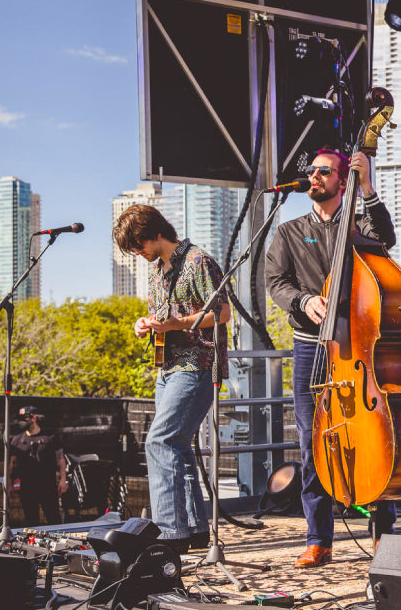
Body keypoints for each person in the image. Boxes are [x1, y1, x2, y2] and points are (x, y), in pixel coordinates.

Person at [265, 149, 398, 568]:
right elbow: (275, 280)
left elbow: (386, 240)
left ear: (343, 180)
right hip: (310, 345)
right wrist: (303, 301)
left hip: (359, 345)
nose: (315, 176)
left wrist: (370, 186)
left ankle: (383, 534)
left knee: (372, 434)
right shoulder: (289, 231)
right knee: (311, 441)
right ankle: (318, 537)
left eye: (324, 171)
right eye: (312, 171)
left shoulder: (357, 222)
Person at [115, 204, 230, 555]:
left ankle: (170, 533)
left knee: (159, 442)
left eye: (138, 245)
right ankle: (193, 530)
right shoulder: (157, 271)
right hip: (167, 366)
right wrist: (147, 324)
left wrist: (175, 325)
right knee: (175, 447)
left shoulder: (198, 261)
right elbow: (163, 316)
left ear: (155, 233)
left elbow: (222, 311)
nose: (137, 253)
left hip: (197, 364)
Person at [7, 405, 67, 526]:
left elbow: (60, 459)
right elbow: (11, 464)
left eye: (25, 418)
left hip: (47, 485)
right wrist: (9, 484)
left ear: (33, 418)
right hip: (27, 487)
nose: (22, 421)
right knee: (31, 520)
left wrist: (63, 480)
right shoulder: (16, 440)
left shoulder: (50, 437)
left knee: (53, 518)